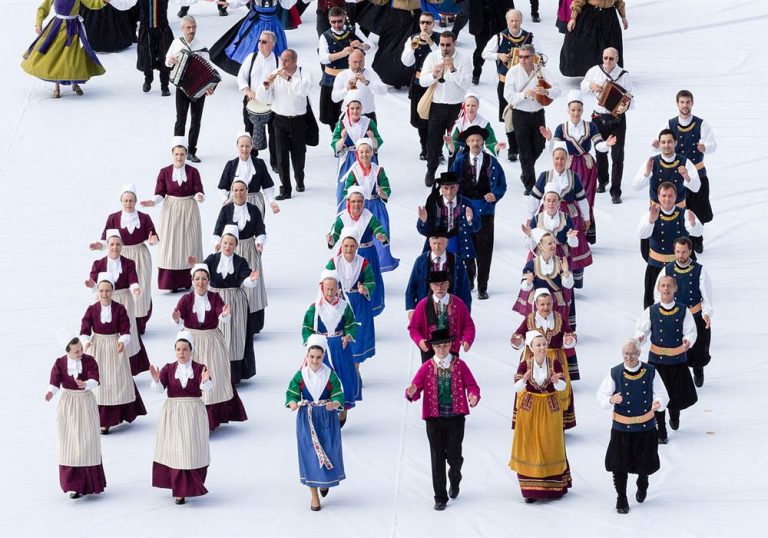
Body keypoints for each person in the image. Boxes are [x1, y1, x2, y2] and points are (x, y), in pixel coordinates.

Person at [406, 328, 480, 511]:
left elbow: (472, 385)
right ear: (433, 347)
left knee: (454, 457)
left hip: (455, 418)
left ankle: (455, 478)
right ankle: (440, 497)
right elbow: (415, 389)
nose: (442, 349)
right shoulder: (426, 367)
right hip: (434, 419)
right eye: (438, 346)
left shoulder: (460, 365)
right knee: (437, 457)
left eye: (445, 345)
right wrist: (411, 393)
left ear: (450, 345)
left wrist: (473, 396)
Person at [173, 264, 248, 431]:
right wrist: (176, 318)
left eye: (204, 279)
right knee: (192, 375)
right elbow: (178, 319)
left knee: (214, 375)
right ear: (192, 281)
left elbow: (221, 314)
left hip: (212, 340)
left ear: (208, 281)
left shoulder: (214, 297)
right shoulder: (186, 299)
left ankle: (210, 419)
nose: (200, 282)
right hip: (192, 341)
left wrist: (225, 314)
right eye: (197, 279)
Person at [596, 339, 668, 514]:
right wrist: (611, 400)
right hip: (621, 429)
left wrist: (658, 402)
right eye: (626, 354)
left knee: (644, 463)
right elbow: (601, 396)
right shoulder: (615, 373)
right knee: (619, 465)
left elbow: (662, 394)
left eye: (632, 353)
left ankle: (642, 482)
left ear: (639, 353)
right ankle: (621, 496)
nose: (629, 357)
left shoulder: (651, 372)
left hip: (646, 428)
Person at [189, 225, 261, 384]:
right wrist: (195, 266)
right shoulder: (212, 259)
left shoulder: (240, 261)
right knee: (216, 335)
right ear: (220, 243)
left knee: (235, 336)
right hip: (214, 299)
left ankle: (233, 375)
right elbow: (201, 272)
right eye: (225, 243)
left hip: (235, 301)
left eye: (231, 244)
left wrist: (252, 280)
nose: (228, 246)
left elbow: (245, 279)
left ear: (236, 246)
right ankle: (213, 371)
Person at [540, 90, 615, 240]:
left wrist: (606, 144)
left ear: (583, 110)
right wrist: (549, 140)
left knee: (586, 200)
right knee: (569, 200)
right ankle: (568, 233)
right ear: (568, 110)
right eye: (573, 110)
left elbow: (598, 145)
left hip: (587, 168)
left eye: (579, 110)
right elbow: (556, 150)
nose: (576, 113)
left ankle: (584, 234)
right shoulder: (561, 128)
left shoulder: (590, 126)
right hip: (568, 166)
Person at [79, 273, 147, 433]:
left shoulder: (119, 309)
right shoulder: (92, 309)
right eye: (101, 290)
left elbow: (126, 330)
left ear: (112, 291)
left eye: (107, 290)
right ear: (97, 292)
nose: (104, 294)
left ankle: (115, 415)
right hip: (98, 348)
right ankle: (100, 418)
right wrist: (86, 341)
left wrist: (122, 342)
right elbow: (84, 329)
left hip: (115, 346)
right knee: (99, 380)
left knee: (116, 379)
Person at [150, 331, 212, 505]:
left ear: (191, 350)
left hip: (193, 412)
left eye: (184, 349)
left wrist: (206, 380)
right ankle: (180, 490)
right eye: (178, 349)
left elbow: (206, 388)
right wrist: (156, 380)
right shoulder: (169, 368)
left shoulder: (200, 368)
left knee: (191, 448)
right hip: (173, 413)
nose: (181, 353)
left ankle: (190, 484)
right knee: (177, 449)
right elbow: (159, 389)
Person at [509, 331, 571, 503]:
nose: (542, 348)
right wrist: (524, 380)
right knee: (530, 445)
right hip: (530, 409)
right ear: (531, 347)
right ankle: (530, 489)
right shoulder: (525, 364)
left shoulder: (554, 362)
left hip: (550, 408)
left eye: (544, 344)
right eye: (538, 345)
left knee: (550, 443)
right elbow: (516, 388)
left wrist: (557, 381)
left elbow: (562, 386)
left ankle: (552, 486)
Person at [635, 275, 698, 444]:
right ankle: (661, 431)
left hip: (677, 360)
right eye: (663, 285)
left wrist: (688, 340)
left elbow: (691, 331)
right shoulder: (651, 311)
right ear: (658, 288)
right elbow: (642, 330)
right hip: (657, 361)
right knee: (657, 395)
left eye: (669, 285)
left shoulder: (683, 311)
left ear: (675, 288)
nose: (666, 288)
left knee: (675, 393)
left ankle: (674, 414)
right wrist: (640, 338)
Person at [286, 334, 346, 511]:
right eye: (311, 356)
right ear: (306, 356)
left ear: (324, 356)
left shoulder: (330, 374)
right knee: (310, 454)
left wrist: (335, 403)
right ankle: (314, 496)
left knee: (328, 449)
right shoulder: (301, 375)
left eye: (318, 357)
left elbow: (338, 393)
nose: (314, 360)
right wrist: (292, 402)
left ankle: (324, 481)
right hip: (307, 417)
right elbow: (292, 391)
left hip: (327, 418)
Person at [653, 90, 717, 253]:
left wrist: (706, 147)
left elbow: (712, 144)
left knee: (698, 208)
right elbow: (659, 139)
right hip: (677, 176)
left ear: (692, 103)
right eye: (682, 102)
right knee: (679, 209)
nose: (685, 105)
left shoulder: (701, 124)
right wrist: (655, 142)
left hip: (697, 173)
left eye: (688, 102)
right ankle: (681, 242)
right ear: (677, 104)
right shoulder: (670, 124)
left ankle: (697, 239)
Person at [90, 184, 158, 335]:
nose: (128, 204)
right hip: (119, 254)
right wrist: (99, 245)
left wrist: (153, 239)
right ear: (121, 201)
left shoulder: (144, 218)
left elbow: (152, 235)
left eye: (131, 200)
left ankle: (139, 323)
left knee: (141, 289)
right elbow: (105, 238)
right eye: (126, 200)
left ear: (135, 201)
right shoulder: (113, 218)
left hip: (140, 254)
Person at [45, 335, 106, 499]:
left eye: (81, 349)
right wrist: (51, 392)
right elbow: (55, 381)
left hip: (85, 401)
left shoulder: (89, 360)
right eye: (76, 351)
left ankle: (90, 482)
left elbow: (95, 379)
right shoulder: (60, 363)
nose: (80, 353)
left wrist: (86, 384)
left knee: (88, 440)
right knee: (70, 441)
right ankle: (74, 485)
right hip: (69, 403)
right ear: (68, 352)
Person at [141, 137, 205, 293]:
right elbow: (160, 193)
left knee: (189, 242)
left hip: (189, 208)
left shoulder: (193, 171)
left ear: (186, 154)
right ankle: (171, 282)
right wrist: (153, 201)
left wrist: (199, 196)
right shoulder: (164, 172)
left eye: (182, 154)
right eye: (176, 154)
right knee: (171, 243)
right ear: (172, 154)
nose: (179, 157)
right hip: (171, 210)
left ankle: (190, 279)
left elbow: (198, 189)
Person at [451, 125, 506, 299]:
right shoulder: (459, 162)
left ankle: (483, 286)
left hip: (486, 212)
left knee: (484, 250)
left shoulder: (492, 162)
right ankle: (468, 279)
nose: (475, 143)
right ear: (467, 142)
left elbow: (501, 185)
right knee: (466, 247)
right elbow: (451, 185)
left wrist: (494, 195)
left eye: (478, 140)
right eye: (472, 140)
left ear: (483, 141)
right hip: (465, 211)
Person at [86, 229, 150, 376]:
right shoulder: (99, 264)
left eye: (118, 244)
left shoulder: (128, 263)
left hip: (124, 299)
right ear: (107, 245)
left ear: (122, 246)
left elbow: (133, 278)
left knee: (127, 330)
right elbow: (93, 280)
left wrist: (135, 288)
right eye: (112, 244)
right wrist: (92, 285)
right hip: (104, 299)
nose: (115, 247)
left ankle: (127, 368)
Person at [511, 289, 577, 427]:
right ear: (536, 304)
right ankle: (529, 422)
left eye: (548, 304)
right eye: (542, 305)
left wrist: (569, 339)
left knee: (558, 387)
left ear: (552, 303)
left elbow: (570, 334)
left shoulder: (559, 318)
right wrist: (518, 340)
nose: (545, 307)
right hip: (533, 358)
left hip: (555, 358)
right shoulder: (530, 319)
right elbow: (518, 336)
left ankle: (557, 423)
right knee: (529, 388)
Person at [22, 0, 114, 98]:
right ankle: (56, 86)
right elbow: (43, 8)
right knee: (55, 56)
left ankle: (75, 82)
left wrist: (103, 1)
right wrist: (38, 23)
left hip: (73, 28)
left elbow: (91, 3)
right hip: (57, 28)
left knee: (73, 57)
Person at [302, 270, 360, 423]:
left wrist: (348, 335)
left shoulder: (343, 306)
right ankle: (322, 412)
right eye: (327, 288)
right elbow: (307, 329)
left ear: (338, 289)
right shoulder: (314, 309)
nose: (330, 292)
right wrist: (311, 344)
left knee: (342, 377)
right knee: (322, 378)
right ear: (321, 288)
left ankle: (342, 412)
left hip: (340, 348)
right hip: (321, 349)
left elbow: (351, 324)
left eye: (333, 288)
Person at [529, 147, 591, 288]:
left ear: (567, 159)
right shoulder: (544, 176)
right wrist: (530, 215)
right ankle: (544, 278)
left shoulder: (573, 176)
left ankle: (571, 279)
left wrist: (586, 217)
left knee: (572, 247)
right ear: (552, 159)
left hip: (571, 216)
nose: (559, 161)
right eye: (557, 158)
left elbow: (582, 199)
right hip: (548, 213)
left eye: (562, 158)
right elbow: (534, 198)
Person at [654, 236, 713, 388]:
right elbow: (658, 293)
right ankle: (682, 379)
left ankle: (698, 370)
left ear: (690, 252)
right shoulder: (666, 270)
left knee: (698, 348)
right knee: (678, 349)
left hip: (695, 316)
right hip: (675, 318)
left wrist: (706, 313)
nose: (681, 256)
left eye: (684, 252)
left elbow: (707, 295)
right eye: (678, 252)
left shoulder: (699, 270)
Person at [481, 9, 538, 162]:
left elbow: (541, 57)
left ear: (521, 21)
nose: (514, 23)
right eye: (512, 21)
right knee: (509, 116)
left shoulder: (529, 37)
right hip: (505, 83)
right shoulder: (499, 37)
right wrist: (498, 55)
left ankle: (525, 143)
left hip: (525, 84)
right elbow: (484, 53)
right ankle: (513, 147)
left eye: (517, 20)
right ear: (507, 22)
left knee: (525, 114)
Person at [503, 43, 561, 194]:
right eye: (521, 57)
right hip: (520, 114)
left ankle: (525, 172)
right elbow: (507, 95)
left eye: (526, 57)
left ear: (533, 57)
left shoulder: (542, 71)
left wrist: (546, 92)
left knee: (539, 145)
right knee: (525, 150)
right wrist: (523, 95)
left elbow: (557, 89)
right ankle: (530, 185)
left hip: (537, 114)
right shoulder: (513, 72)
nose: (523, 60)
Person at [213, 179, 269, 334]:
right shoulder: (226, 210)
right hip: (230, 250)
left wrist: (259, 241)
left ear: (247, 191)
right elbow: (217, 230)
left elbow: (261, 230)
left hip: (250, 248)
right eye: (236, 190)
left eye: (242, 190)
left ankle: (252, 325)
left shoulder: (254, 209)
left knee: (252, 286)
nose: (239, 193)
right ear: (231, 191)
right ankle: (232, 319)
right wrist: (218, 243)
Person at [257, 49, 313, 200]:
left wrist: (288, 78)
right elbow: (262, 98)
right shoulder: (276, 73)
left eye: (287, 60)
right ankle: (285, 189)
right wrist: (266, 86)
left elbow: (302, 91)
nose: (283, 63)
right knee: (281, 157)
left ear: (295, 61)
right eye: (282, 59)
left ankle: (299, 179)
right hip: (280, 120)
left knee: (299, 155)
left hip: (299, 120)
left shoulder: (304, 73)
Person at [579, 48, 633, 204]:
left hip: (617, 120)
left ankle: (616, 191)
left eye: (611, 58)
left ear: (617, 59)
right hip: (598, 118)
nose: (607, 61)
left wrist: (625, 106)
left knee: (617, 156)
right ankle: (602, 180)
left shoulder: (624, 75)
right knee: (600, 151)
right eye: (605, 58)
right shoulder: (595, 70)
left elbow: (631, 99)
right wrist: (592, 86)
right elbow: (583, 85)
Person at [637, 182, 702, 309]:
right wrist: (651, 221)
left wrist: (693, 223)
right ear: (658, 197)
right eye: (664, 195)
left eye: (670, 196)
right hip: (655, 266)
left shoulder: (684, 214)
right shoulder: (650, 214)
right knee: (652, 303)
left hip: (678, 268)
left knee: (681, 303)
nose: (667, 199)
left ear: (676, 197)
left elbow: (698, 232)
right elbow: (642, 234)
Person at [420, 32, 472, 187]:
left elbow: (466, 84)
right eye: (442, 44)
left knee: (454, 143)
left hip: (456, 107)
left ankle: (451, 175)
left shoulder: (464, 59)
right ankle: (431, 170)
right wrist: (434, 75)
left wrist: (454, 70)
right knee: (433, 143)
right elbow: (422, 81)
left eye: (448, 45)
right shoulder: (432, 57)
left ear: (454, 43)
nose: (444, 48)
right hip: (437, 106)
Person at [327, 187, 389, 315]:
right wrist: (331, 239)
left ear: (363, 202)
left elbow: (378, 228)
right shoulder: (342, 218)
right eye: (354, 201)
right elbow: (335, 233)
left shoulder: (369, 217)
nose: (356, 204)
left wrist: (381, 236)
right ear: (348, 201)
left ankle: (367, 313)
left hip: (367, 254)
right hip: (346, 255)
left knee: (366, 283)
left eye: (360, 201)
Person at [341, 139, 398, 271]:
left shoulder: (378, 170)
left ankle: (378, 267)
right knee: (360, 237)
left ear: (372, 153)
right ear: (357, 154)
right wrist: (352, 192)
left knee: (380, 234)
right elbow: (346, 191)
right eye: (361, 152)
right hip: (360, 207)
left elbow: (386, 188)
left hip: (376, 206)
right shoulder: (353, 171)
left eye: (367, 151)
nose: (364, 155)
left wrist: (383, 192)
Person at [165, 15, 215, 163]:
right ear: (182, 29)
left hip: (198, 89)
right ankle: (177, 149)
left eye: (193, 27)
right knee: (180, 119)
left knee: (196, 120)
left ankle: (192, 151)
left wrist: (210, 87)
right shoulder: (176, 43)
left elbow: (209, 71)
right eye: (188, 27)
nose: (191, 30)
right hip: (182, 87)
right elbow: (167, 61)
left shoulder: (202, 47)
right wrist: (171, 61)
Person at [325, 227, 377, 364]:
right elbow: (326, 281)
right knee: (341, 334)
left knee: (357, 336)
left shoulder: (363, 263)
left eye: (352, 246)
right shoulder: (334, 263)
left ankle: (356, 367)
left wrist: (364, 289)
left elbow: (371, 282)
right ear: (341, 246)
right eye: (346, 246)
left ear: (357, 246)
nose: (349, 249)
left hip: (359, 303)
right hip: (340, 302)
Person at [209, 0, 296, 76]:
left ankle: (272, 74)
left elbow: (286, 5)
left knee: (276, 49)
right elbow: (241, 1)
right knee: (251, 48)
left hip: (272, 23)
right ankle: (252, 74)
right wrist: (229, 3)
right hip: (256, 23)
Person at [319, 7, 371, 131]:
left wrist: (361, 45)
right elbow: (323, 58)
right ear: (329, 20)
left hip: (351, 77)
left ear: (344, 18)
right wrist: (342, 53)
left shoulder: (353, 30)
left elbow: (371, 45)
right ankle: (337, 139)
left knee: (353, 110)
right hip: (331, 78)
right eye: (333, 22)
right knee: (332, 115)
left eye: (340, 21)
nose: (337, 24)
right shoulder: (325, 36)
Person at [369, 0, 441, 89]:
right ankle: (384, 78)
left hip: (415, 16)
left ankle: (408, 79)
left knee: (411, 48)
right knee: (389, 47)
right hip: (396, 16)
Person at [408, 271, 475, 363]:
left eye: (443, 284)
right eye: (435, 284)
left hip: (451, 349)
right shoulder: (423, 305)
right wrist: (419, 340)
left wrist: (468, 339)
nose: (439, 288)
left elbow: (468, 325)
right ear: (431, 286)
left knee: (452, 374)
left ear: (448, 285)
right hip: (429, 350)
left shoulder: (458, 304)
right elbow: (413, 328)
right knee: (430, 376)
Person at [513, 229, 575, 328]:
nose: (553, 245)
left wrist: (566, 272)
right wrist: (528, 282)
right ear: (541, 246)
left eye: (554, 242)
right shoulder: (532, 264)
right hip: (538, 302)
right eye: (549, 243)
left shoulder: (560, 262)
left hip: (556, 302)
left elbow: (569, 285)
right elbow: (524, 287)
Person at [417, 172, 481, 266]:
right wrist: (424, 221)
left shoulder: (466, 203)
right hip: (438, 250)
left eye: (452, 188)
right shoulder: (433, 203)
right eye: (446, 188)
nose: (449, 192)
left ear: (458, 187)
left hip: (461, 250)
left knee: (464, 278)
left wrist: (470, 221)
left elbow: (477, 227)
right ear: (441, 189)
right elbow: (424, 231)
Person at [522, 188, 581, 287]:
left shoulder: (566, 218)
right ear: (543, 202)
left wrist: (571, 238)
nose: (551, 204)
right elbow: (528, 246)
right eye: (548, 200)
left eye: (554, 201)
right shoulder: (536, 219)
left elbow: (575, 244)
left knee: (562, 283)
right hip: (540, 255)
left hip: (561, 255)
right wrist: (530, 236)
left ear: (559, 203)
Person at [405, 227, 472, 315]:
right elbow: (412, 286)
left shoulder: (456, 261)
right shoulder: (421, 261)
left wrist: (465, 312)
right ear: (429, 243)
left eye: (440, 243)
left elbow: (464, 288)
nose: (436, 247)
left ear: (446, 243)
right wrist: (411, 309)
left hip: (450, 309)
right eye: (434, 243)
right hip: (426, 309)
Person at [332, 95, 383, 208]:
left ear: (361, 109)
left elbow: (376, 145)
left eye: (357, 108)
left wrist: (373, 138)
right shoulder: (342, 124)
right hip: (349, 162)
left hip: (367, 160)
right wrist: (342, 139)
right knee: (345, 190)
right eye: (352, 108)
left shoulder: (369, 123)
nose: (355, 111)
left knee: (368, 189)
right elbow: (335, 147)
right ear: (348, 109)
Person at [401, 12, 440, 160]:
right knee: (421, 119)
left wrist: (430, 43)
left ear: (433, 24)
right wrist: (412, 47)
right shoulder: (412, 38)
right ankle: (425, 147)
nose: (425, 25)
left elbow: (442, 56)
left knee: (436, 118)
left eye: (428, 23)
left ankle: (437, 149)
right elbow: (406, 62)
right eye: (422, 22)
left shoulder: (438, 39)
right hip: (418, 83)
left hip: (435, 84)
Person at [237, 31, 279, 165]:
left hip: (271, 104)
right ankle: (252, 159)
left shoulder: (278, 61)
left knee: (274, 134)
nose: (260, 44)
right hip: (251, 101)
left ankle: (275, 162)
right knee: (249, 130)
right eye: (259, 41)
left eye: (264, 42)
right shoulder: (251, 57)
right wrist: (247, 90)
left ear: (272, 44)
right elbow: (241, 76)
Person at [218, 133, 280, 219]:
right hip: (235, 201)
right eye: (242, 146)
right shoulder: (231, 165)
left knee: (254, 229)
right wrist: (225, 200)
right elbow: (223, 187)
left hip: (255, 202)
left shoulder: (259, 163)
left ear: (251, 146)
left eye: (247, 146)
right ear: (237, 146)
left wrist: (271, 202)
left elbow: (267, 186)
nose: (244, 149)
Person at [560, 0, 628, 77]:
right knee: (589, 46)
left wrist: (623, 17)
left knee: (609, 45)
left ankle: (606, 72)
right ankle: (590, 74)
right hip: (590, 15)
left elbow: (619, 2)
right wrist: (573, 18)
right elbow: (579, 1)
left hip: (609, 17)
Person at [634, 129, 701, 207]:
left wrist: (687, 177)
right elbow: (636, 187)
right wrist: (646, 174)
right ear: (659, 144)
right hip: (656, 212)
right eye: (663, 142)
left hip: (679, 212)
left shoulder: (685, 162)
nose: (666, 145)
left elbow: (696, 188)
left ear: (675, 143)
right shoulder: (651, 162)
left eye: (669, 142)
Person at [462, 0, 515, 85]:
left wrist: (511, 17)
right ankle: (477, 71)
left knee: (501, 50)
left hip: (498, 21)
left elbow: (509, 4)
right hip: (480, 21)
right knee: (480, 50)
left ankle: (503, 76)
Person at [443, 93, 504, 165]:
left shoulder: (484, 123)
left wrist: (497, 146)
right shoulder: (458, 123)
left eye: (473, 105)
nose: (470, 108)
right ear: (464, 106)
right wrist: (450, 143)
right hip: (461, 156)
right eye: (468, 105)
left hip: (479, 155)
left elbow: (491, 142)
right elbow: (453, 148)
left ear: (478, 106)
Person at [331, 49, 386, 123]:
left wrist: (367, 83)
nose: (358, 65)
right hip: (347, 116)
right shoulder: (342, 75)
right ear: (349, 61)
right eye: (355, 62)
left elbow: (384, 91)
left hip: (368, 116)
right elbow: (334, 98)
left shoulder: (370, 73)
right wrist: (347, 88)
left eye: (361, 62)